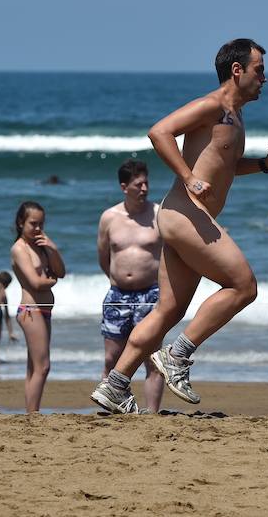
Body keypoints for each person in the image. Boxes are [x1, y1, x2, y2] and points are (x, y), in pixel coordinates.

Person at [90, 38, 268, 413]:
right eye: (259, 70)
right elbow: (159, 132)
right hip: (185, 214)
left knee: (168, 310)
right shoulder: (212, 105)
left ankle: (115, 385)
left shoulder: (235, 117)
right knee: (243, 286)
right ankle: (177, 356)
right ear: (237, 70)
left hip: (185, 218)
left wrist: (265, 165)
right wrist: (188, 177)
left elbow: (226, 165)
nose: (265, 78)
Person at [97, 159, 165, 412]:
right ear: (124, 187)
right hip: (118, 295)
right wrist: (119, 279)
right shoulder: (109, 217)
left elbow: (171, 255)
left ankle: (152, 413)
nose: (144, 188)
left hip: (151, 294)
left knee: (152, 359)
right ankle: (111, 406)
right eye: (138, 184)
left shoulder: (159, 214)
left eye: (146, 183)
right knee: (112, 358)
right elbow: (103, 257)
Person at [11, 201, 66, 412]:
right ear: (20, 223)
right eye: (33, 224)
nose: (38, 228)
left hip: (44, 310)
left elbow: (61, 271)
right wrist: (52, 281)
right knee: (43, 366)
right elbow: (35, 282)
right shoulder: (19, 248)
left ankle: (30, 412)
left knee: (34, 367)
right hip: (30, 310)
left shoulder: (41, 246)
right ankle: (33, 414)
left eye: (41, 224)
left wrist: (52, 248)